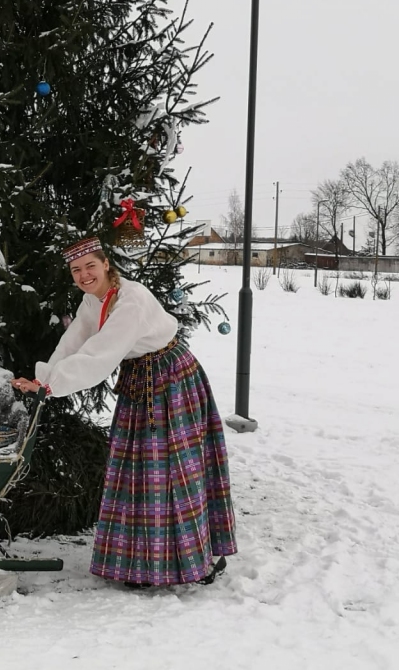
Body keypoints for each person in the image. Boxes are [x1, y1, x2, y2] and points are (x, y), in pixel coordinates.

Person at [12, 237, 236, 587]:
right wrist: (45, 377)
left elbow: (100, 354)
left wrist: (52, 384)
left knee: (174, 471)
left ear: (106, 265)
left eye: (90, 266)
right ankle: (140, 566)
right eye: (76, 270)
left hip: (170, 380)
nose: (84, 275)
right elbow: (75, 341)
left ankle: (196, 561)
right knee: (136, 471)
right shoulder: (95, 299)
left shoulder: (130, 300)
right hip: (140, 382)